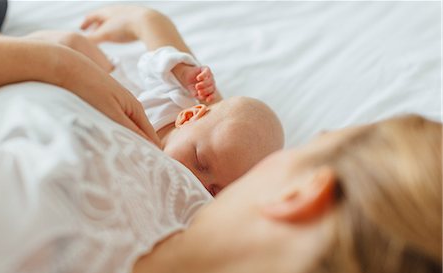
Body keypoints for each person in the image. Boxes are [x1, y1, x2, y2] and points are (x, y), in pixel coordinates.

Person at [0, 6, 441, 273]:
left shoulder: (45, 196)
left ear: (302, 194)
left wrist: (59, 64)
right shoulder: (189, 207)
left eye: (318, 143)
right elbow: (209, 102)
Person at [19, 5, 284, 196]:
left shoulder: (190, 192)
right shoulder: (182, 101)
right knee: (72, 42)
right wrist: (184, 73)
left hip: (72, 111)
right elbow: (159, 64)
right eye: (199, 162)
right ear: (189, 117)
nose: (198, 182)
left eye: (216, 190)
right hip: (108, 80)